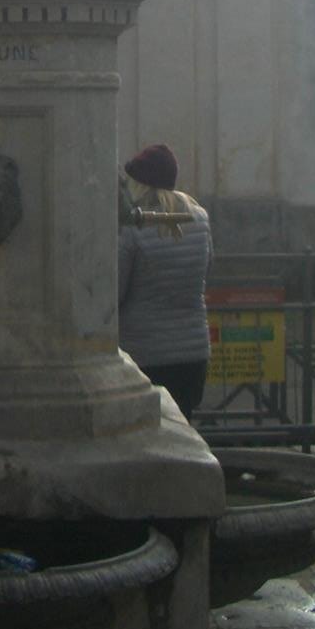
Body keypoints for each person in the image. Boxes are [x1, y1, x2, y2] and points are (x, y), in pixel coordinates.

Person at [117, 144, 212, 424]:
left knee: (146, 438)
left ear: (139, 185)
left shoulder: (133, 227)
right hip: (194, 354)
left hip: (145, 355)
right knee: (183, 434)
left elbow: (116, 292)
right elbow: (207, 271)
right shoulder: (199, 218)